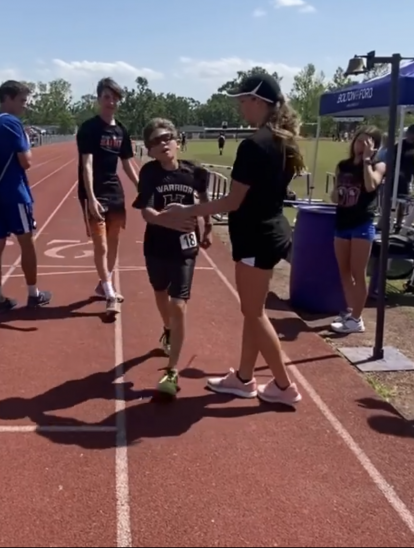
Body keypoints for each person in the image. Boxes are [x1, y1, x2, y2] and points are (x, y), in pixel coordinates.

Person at [169, 74, 303, 405]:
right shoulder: (284, 141)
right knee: (253, 311)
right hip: (271, 231)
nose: (240, 107)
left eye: (243, 101)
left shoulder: (254, 145)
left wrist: (189, 209)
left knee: (254, 313)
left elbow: (232, 201)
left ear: (259, 102)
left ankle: (284, 386)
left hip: (256, 236)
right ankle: (244, 378)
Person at [133, 118, 212, 398]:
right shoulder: (150, 173)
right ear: (150, 150)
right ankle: (168, 329)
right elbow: (146, 212)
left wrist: (207, 226)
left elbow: (204, 200)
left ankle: (172, 370)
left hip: (185, 247)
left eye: (167, 137)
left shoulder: (195, 172)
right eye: (156, 141)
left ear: (177, 141)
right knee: (160, 293)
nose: (163, 143)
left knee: (178, 305)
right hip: (156, 245)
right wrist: (167, 220)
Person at [0, 81, 51, 312]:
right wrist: (26, 141)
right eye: (22, 100)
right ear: (8, 98)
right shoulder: (11, 122)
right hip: (14, 192)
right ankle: (33, 294)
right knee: (26, 243)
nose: (24, 105)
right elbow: (26, 161)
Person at [76, 78, 139, 317]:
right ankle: (110, 293)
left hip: (115, 193)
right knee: (100, 245)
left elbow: (127, 164)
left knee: (113, 242)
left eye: (115, 98)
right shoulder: (89, 129)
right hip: (94, 193)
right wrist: (91, 197)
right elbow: (87, 164)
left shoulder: (121, 130)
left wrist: (141, 187)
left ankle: (104, 284)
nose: (111, 102)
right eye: (106, 97)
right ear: (99, 98)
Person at [329, 128, 385, 334]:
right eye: (358, 141)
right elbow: (334, 195)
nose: (360, 146)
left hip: (362, 223)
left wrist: (367, 161)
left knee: (357, 272)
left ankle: (357, 319)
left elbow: (370, 186)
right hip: (342, 222)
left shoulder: (378, 165)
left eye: (366, 143)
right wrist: (336, 193)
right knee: (344, 271)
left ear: (375, 146)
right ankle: (351, 312)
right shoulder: (343, 166)